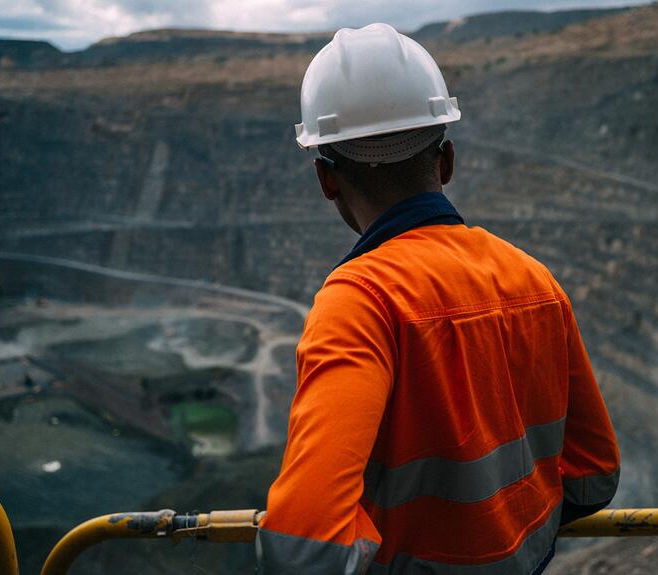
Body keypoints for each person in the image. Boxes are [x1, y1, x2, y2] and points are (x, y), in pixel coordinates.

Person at [257, 23, 620, 574]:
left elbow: (304, 548)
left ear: (326, 179)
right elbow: (593, 475)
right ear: (446, 161)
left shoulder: (360, 302)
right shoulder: (534, 282)